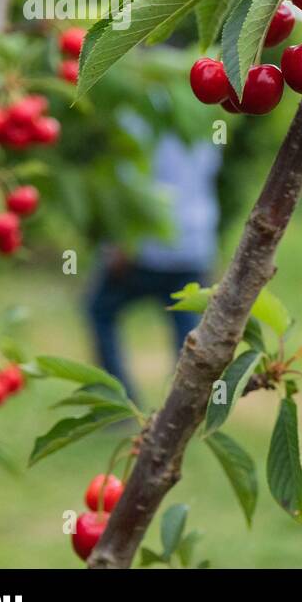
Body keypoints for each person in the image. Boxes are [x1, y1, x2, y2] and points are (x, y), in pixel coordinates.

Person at [85, 128, 221, 400]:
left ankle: (120, 400)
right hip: (194, 241)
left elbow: (131, 180)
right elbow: (206, 174)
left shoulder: (140, 113)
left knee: (100, 309)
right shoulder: (204, 113)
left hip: (147, 248)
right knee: (188, 329)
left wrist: (122, 240)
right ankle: (183, 404)